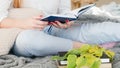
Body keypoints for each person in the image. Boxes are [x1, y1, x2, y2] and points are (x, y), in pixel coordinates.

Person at [0, 0, 118, 57]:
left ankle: (64, 44)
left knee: (110, 28)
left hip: (53, 28)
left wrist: (66, 22)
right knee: (29, 40)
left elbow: (64, 12)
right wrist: (24, 23)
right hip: (20, 32)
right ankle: (87, 48)